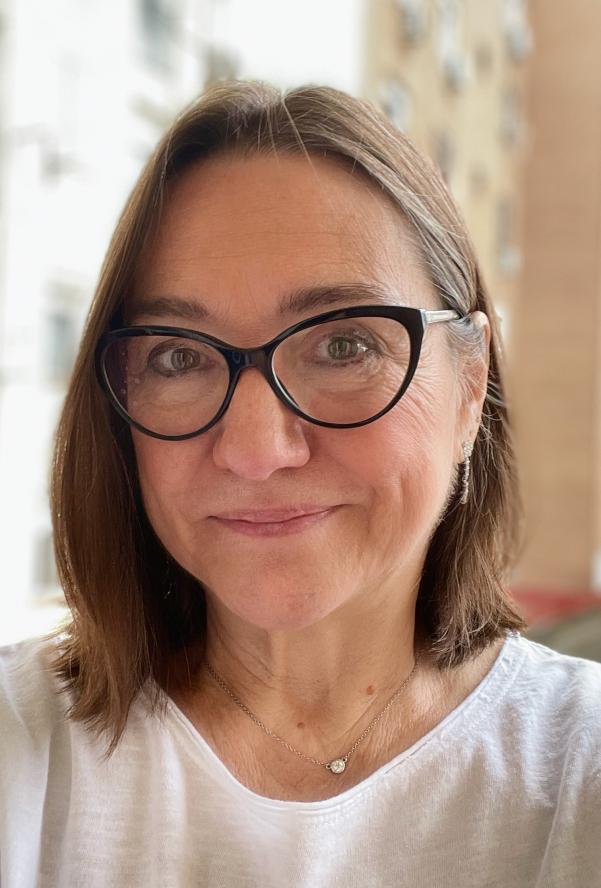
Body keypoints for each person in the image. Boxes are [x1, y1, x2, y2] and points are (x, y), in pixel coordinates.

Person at [1, 80, 599, 888]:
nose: (255, 451)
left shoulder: (578, 767)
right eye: (177, 356)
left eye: (344, 346)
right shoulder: (21, 751)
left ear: (467, 386)